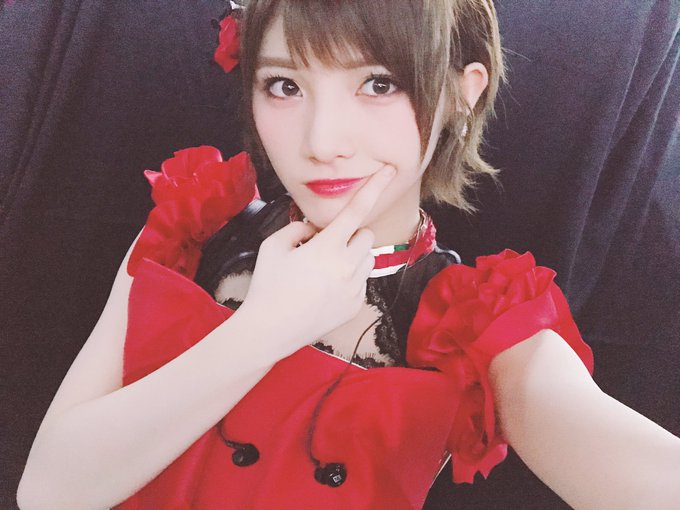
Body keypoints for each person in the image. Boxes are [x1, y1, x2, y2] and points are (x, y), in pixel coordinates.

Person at [16, 1, 680, 509]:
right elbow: (49, 492)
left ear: (461, 91)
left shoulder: (475, 326)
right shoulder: (194, 227)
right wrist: (265, 329)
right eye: (284, 85)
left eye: (379, 83)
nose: (321, 140)